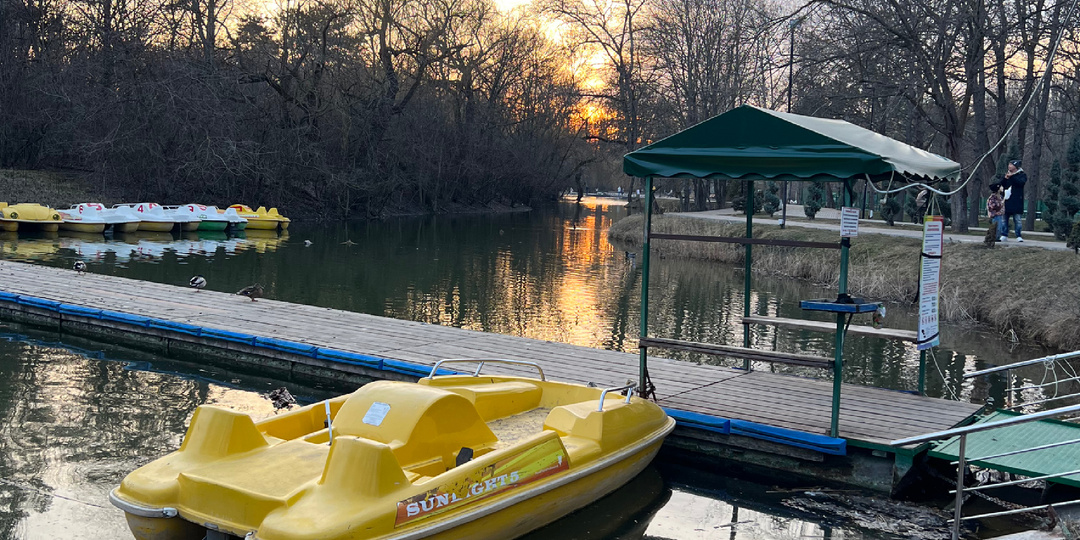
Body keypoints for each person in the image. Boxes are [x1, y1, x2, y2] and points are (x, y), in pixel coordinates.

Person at [1000, 159, 1027, 242]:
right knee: (1004, 219)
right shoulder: (1007, 175)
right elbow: (1002, 184)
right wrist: (1005, 178)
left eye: (1011, 165)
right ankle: (1004, 234)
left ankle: (1018, 235)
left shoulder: (1022, 175)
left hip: (1017, 201)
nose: (1009, 166)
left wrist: (1012, 177)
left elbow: (1021, 183)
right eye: (1009, 164)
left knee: (1017, 219)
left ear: (1015, 166)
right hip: (1007, 200)